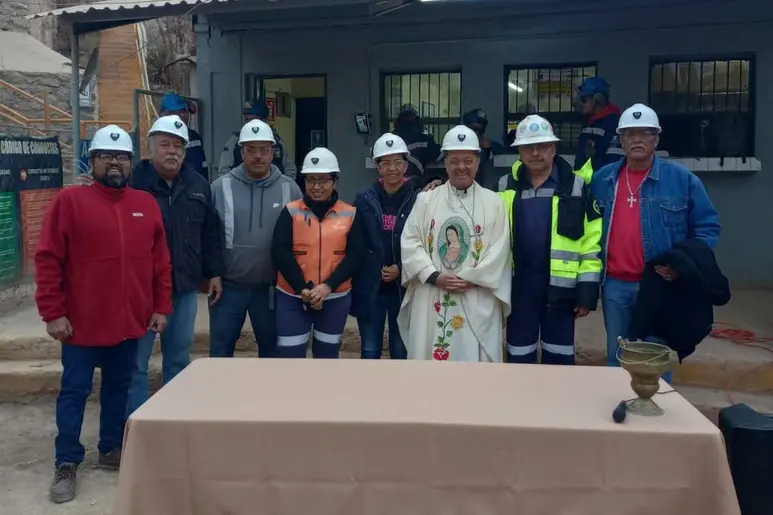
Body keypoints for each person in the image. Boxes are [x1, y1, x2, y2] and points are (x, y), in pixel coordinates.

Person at [34, 125, 172, 504]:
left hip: (129, 323)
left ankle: (111, 448)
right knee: (74, 391)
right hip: (80, 325)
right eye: (106, 156)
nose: (115, 163)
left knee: (117, 389)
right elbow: (47, 259)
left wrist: (161, 307)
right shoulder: (70, 202)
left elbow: (161, 263)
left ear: (131, 163)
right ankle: (67, 461)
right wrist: (52, 313)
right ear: (92, 160)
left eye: (122, 157)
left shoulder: (145, 203)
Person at [590, 103, 720, 376]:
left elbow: (707, 227)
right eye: (629, 133)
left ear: (656, 139)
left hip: (660, 285)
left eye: (644, 133)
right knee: (617, 355)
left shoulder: (682, 180)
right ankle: (620, 400)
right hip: (614, 285)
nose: (636, 139)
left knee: (655, 357)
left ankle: (656, 403)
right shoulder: (603, 179)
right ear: (621, 140)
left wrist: (682, 267)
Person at [124, 115, 223, 415]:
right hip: (141, 291)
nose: (172, 152)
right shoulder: (132, 184)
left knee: (178, 359)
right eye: (165, 144)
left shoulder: (198, 185)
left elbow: (209, 233)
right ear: (150, 148)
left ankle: (173, 419)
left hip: (183, 287)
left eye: (178, 146)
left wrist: (214, 272)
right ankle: (136, 423)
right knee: (136, 363)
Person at [398, 125, 511, 362]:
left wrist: (470, 278)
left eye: (468, 160)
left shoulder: (494, 203)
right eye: (454, 160)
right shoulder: (426, 200)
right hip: (432, 294)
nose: (461, 167)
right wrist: (433, 276)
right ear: (445, 162)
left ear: (478, 162)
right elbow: (410, 241)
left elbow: (499, 251)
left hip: (476, 296)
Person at [500, 115, 602, 365]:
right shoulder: (504, 186)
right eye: (528, 147)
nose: (535, 153)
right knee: (518, 355)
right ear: (519, 152)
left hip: (561, 290)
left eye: (542, 146)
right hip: (519, 287)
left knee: (559, 360)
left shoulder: (576, 186)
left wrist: (586, 292)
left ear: (554, 148)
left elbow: (591, 243)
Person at [209, 118, 302, 358]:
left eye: (264, 150)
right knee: (220, 352)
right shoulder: (219, 188)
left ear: (273, 152)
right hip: (228, 288)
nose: (258, 156)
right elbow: (209, 236)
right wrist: (212, 273)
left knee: (271, 353)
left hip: (271, 290)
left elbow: (301, 239)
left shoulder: (290, 189)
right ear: (241, 152)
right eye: (251, 150)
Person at [271, 147, 364, 358]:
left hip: (335, 298)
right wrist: (302, 289)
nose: (316, 186)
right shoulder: (290, 211)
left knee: (327, 356)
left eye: (323, 180)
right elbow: (280, 252)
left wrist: (327, 287)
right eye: (311, 180)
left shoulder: (350, 214)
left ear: (334, 181)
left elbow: (355, 255)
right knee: (290, 355)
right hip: (292, 296)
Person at [351, 133, 418, 360]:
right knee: (370, 349)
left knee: (401, 350)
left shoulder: (418, 198)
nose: (392, 168)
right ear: (378, 167)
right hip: (372, 287)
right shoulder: (364, 199)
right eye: (386, 163)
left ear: (406, 165)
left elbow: (423, 243)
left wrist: (402, 267)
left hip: (404, 287)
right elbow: (356, 242)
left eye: (398, 162)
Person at [217, 100, 297, 179]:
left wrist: (281, 185)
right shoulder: (235, 141)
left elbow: (290, 170)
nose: (251, 123)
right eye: (247, 119)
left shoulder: (277, 141)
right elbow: (224, 171)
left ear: (265, 120)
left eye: (255, 119)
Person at [574, 77, 624, 177]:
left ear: (598, 99)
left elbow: (614, 160)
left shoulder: (613, 123)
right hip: (582, 181)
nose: (581, 103)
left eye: (584, 100)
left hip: (602, 182)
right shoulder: (588, 121)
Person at [159, 93, 209, 181]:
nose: (182, 115)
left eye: (184, 111)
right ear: (165, 115)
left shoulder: (195, 137)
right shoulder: (158, 139)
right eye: (176, 112)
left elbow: (203, 168)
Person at [393, 104, 442, 188]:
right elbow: (440, 155)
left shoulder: (390, 139)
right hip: (415, 185)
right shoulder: (424, 140)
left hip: (393, 184)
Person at [462, 108, 504, 191]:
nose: (476, 132)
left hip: (481, 186)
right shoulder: (459, 142)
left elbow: (502, 149)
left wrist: (489, 145)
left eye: (479, 130)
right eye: (474, 129)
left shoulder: (485, 145)